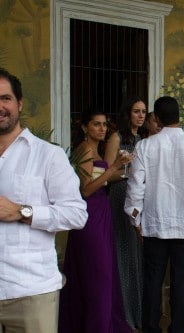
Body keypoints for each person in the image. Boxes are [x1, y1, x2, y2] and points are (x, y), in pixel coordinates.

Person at [0, 68, 88, 332]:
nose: (0, 106)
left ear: (19, 103)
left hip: (31, 291)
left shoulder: (48, 155)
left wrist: (22, 212)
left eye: (5, 98)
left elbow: (76, 214)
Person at [124, 96, 184, 333]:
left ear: (156, 118)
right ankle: (178, 328)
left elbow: (135, 189)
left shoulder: (145, 146)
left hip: (154, 225)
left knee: (153, 281)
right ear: (179, 116)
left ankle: (151, 328)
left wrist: (135, 219)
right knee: (180, 281)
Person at [59, 108, 133, 332]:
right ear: (84, 127)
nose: (102, 129)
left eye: (104, 124)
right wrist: (114, 168)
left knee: (103, 271)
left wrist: (126, 170)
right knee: (97, 273)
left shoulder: (95, 152)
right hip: (90, 216)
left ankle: (101, 322)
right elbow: (86, 190)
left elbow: (102, 180)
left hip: (102, 212)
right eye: (96, 124)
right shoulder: (84, 151)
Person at [104, 96, 147, 330]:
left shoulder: (142, 139)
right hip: (119, 196)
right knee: (123, 251)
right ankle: (124, 314)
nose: (140, 115)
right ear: (127, 114)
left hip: (138, 199)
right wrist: (125, 171)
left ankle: (137, 312)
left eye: (143, 111)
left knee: (137, 252)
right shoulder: (116, 138)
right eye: (136, 111)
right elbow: (107, 175)